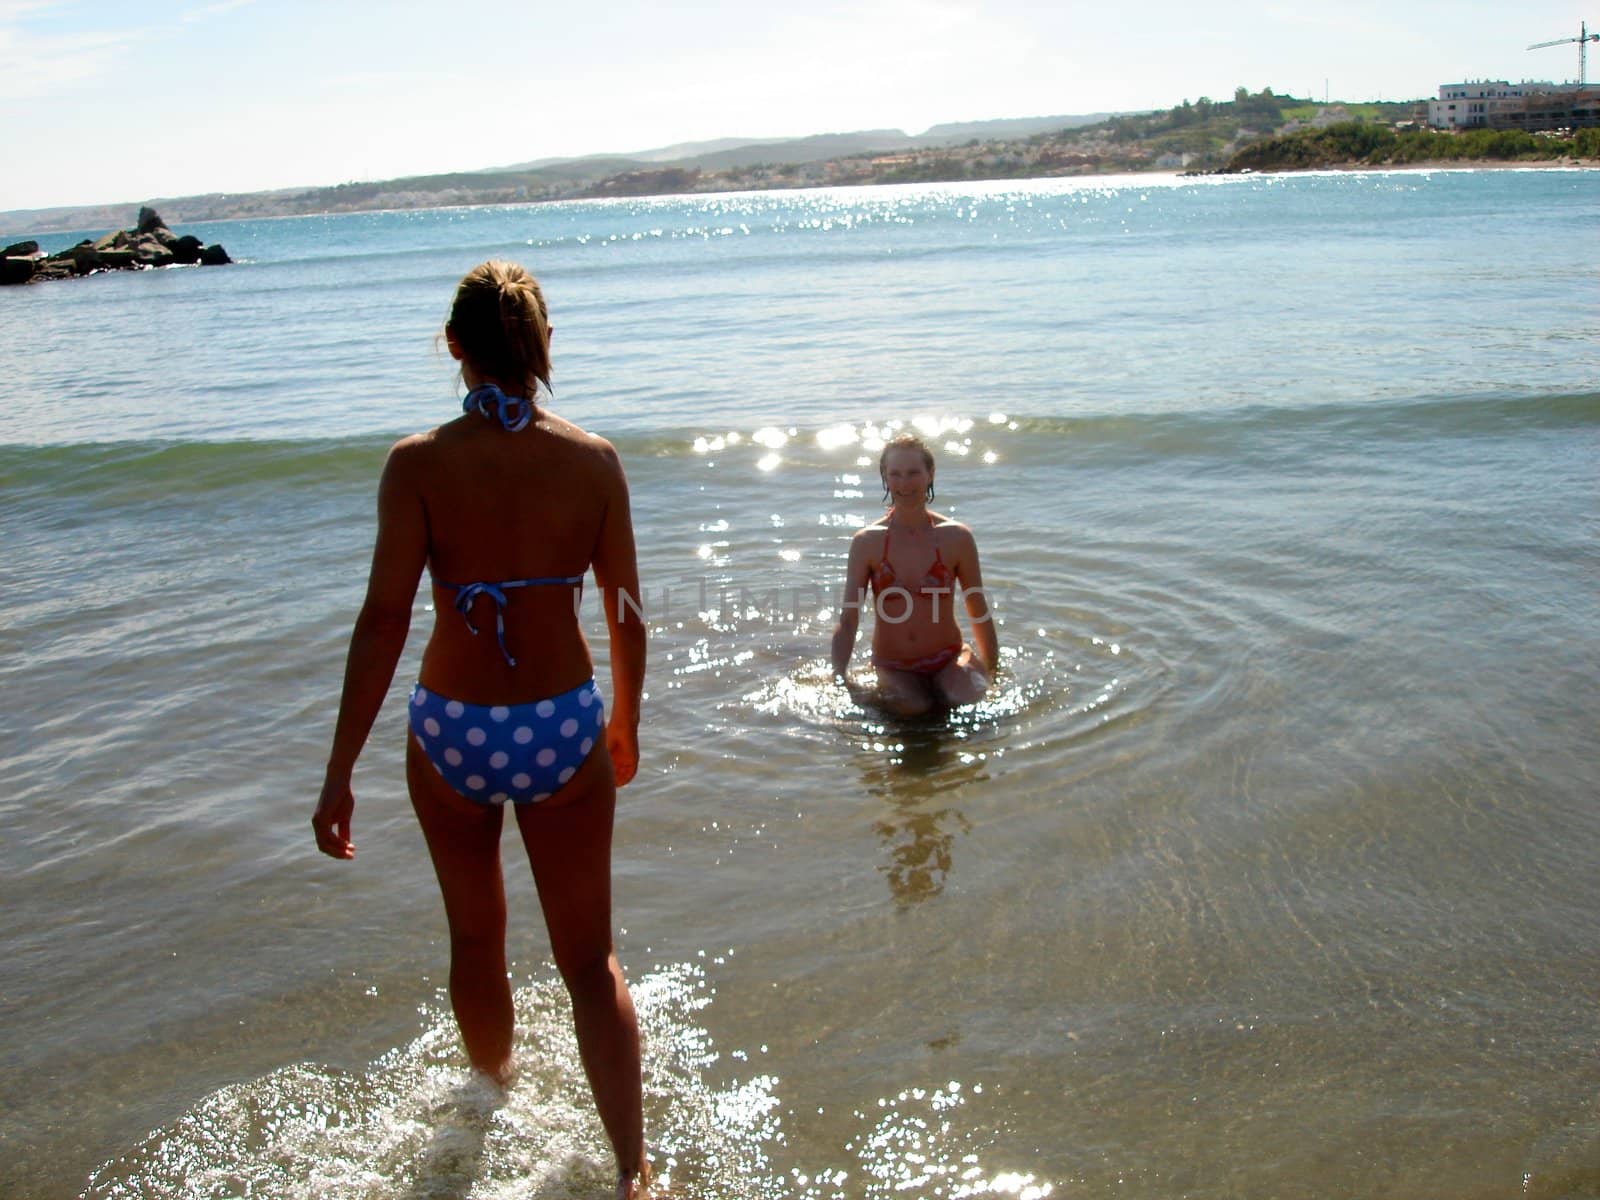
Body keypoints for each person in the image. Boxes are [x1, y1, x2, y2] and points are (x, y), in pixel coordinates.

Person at [311, 261, 651, 1199]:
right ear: (542, 349)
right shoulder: (592, 460)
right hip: (561, 724)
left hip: (451, 731)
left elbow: (383, 622)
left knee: (476, 940)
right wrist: (624, 721)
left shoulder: (417, 464)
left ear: (454, 346)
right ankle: (633, 1174)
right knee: (591, 961)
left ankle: (490, 1102)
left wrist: (339, 769)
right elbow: (626, 613)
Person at [830, 433, 998, 715]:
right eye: (895, 474)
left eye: (913, 473)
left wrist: (993, 670)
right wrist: (838, 678)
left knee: (966, 699)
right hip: (893, 664)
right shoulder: (867, 542)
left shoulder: (957, 537)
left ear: (930, 474)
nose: (904, 484)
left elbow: (978, 609)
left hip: (949, 657)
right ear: (884, 477)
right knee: (913, 708)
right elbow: (848, 620)